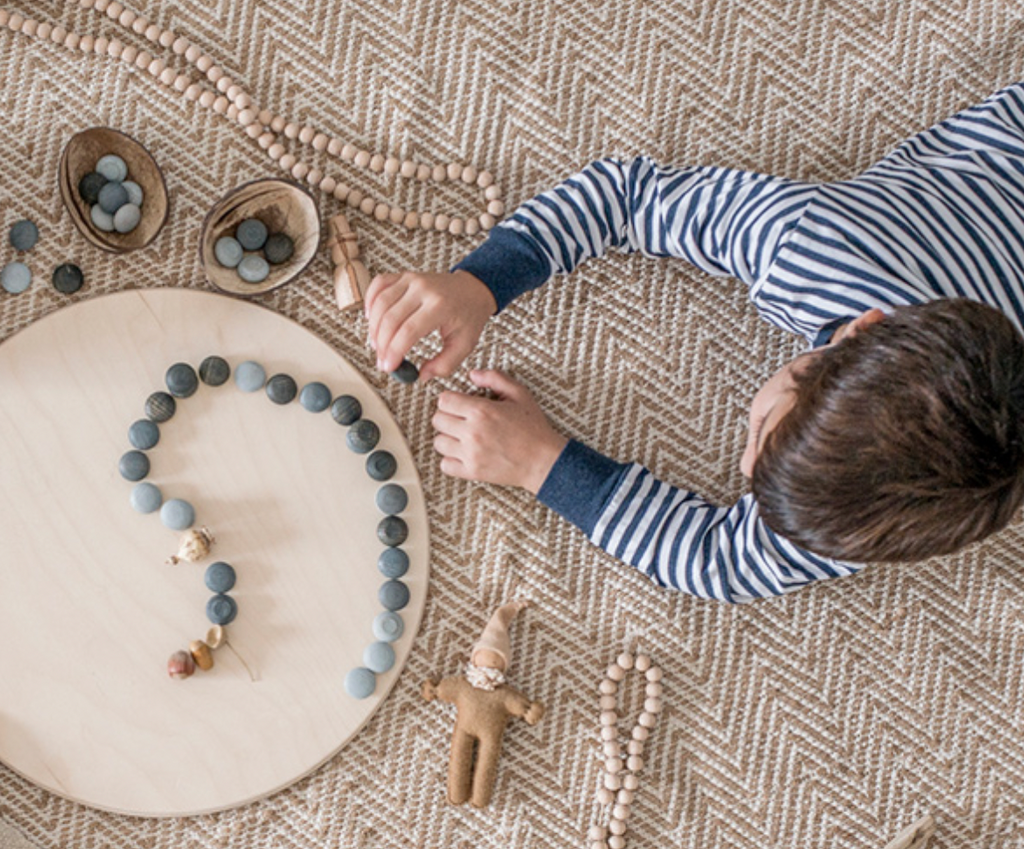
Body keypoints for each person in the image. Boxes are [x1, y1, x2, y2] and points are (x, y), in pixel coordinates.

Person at [364, 82, 1024, 603]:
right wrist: (480, 282)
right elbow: (624, 197)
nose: (742, 469)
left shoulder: (889, 509)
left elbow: (717, 560)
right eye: (764, 425)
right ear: (862, 327)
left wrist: (543, 463)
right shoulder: (811, 245)